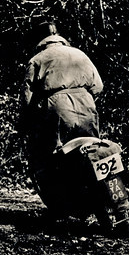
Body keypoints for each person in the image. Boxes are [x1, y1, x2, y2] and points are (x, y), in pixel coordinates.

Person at [23, 20, 104, 172]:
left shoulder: (37, 59)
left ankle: (64, 191)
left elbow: (28, 99)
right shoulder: (80, 54)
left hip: (57, 108)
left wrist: (26, 122)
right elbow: (98, 86)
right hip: (86, 104)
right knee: (93, 150)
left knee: (55, 158)